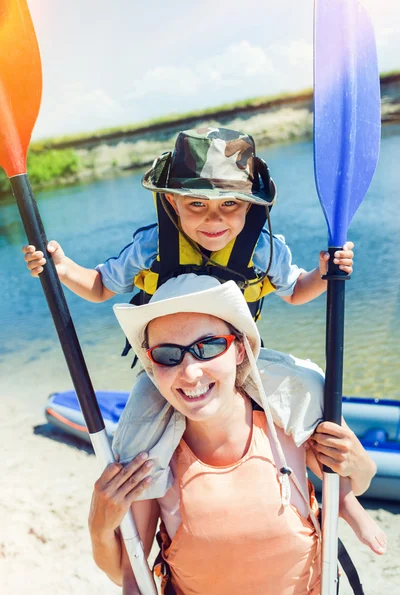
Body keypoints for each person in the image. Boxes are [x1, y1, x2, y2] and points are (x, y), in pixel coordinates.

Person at [21, 127, 356, 480]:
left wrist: (324, 274)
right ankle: (137, 511)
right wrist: (62, 267)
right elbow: (101, 286)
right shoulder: (153, 245)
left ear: (252, 204)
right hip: (170, 368)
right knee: (136, 424)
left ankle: (344, 498)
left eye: (230, 203)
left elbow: (296, 292)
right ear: (171, 202)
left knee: (311, 382)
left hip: (239, 361)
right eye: (197, 204)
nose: (214, 219)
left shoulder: (263, 248)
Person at [88, 274, 386, 595]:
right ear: (151, 364)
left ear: (240, 350)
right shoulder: (153, 451)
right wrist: (99, 526)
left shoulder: (284, 421)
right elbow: (126, 574)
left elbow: (355, 483)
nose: (190, 373)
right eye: (168, 355)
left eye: (209, 347)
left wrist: (358, 461)